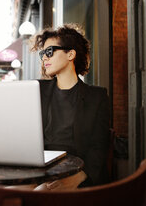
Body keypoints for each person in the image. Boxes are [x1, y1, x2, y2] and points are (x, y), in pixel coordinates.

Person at [32, 24, 110, 190]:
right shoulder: (36, 90)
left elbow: (99, 146)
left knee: (38, 194)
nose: (44, 58)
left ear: (71, 54)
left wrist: (80, 176)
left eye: (49, 51)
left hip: (73, 170)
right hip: (39, 168)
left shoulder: (97, 97)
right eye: (42, 54)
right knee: (4, 194)